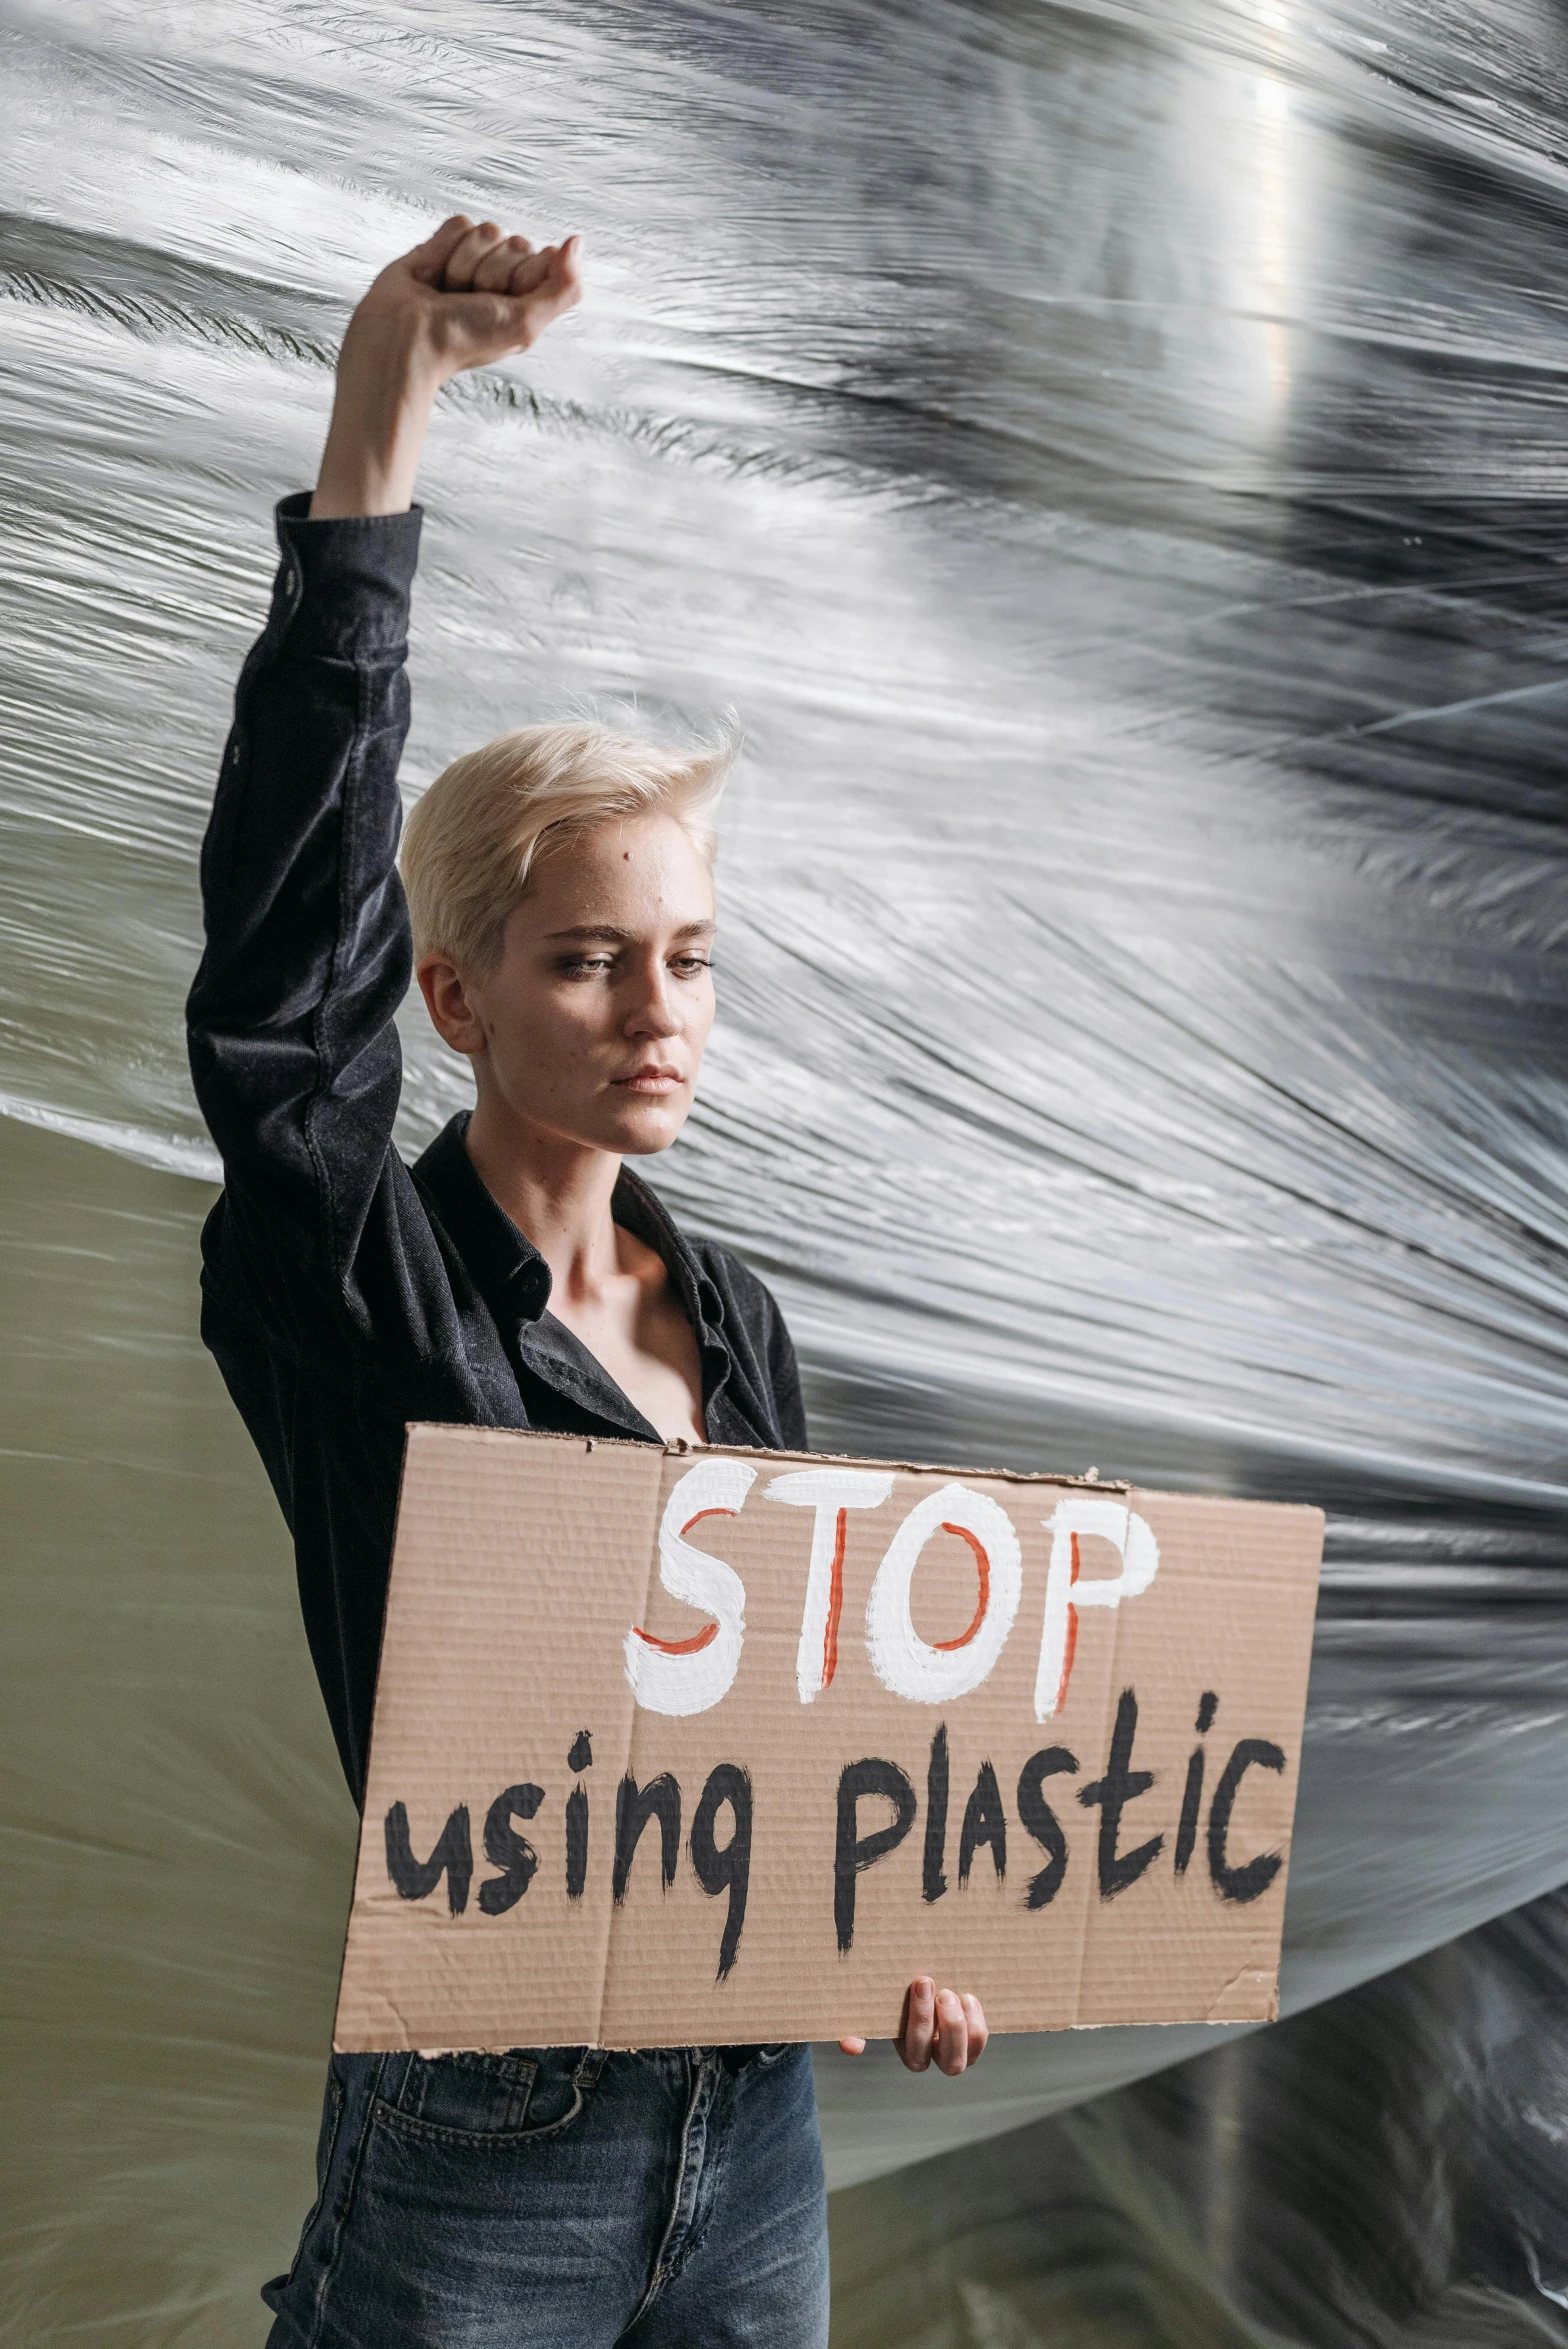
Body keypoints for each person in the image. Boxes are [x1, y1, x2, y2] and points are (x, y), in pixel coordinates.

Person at [187, 215, 988, 2348]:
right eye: (586, 957)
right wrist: (382, 417)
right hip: (485, 2151)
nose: (660, 1010)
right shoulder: (354, 1282)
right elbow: (280, 1001)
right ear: (451, 992)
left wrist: (886, 1931)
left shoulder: (728, 1308)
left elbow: (797, 1725)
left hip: (752, 2141)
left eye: (691, 958)